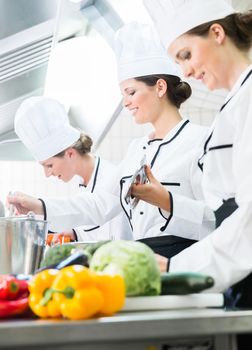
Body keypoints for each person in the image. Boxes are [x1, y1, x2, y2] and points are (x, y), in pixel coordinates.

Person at [8, 22, 215, 258]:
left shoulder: (201, 141)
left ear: (160, 87)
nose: (125, 102)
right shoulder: (137, 150)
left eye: (131, 92)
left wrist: (166, 200)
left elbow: (217, 219)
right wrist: (40, 206)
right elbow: (98, 204)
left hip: (189, 260)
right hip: (145, 260)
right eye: (123, 94)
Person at [142, 0, 252, 315]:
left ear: (217, 33)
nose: (186, 71)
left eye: (186, 55)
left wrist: (180, 267)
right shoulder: (234, 104)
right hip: (237, 269)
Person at [14, 96, 132, 242]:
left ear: (70, 153)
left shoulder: (110, 177)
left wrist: (38, 206)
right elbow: (95, 223)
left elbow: (115, 235)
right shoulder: (85, 181)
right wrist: (76, 234)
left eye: (49, 165)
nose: (47, 174)